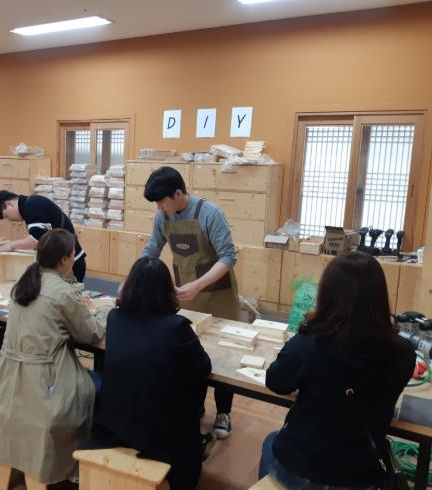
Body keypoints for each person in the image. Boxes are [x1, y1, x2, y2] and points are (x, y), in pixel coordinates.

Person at [259, 252, 415, 489]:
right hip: (362, 471)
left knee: (271, 440)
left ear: (327, 295)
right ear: (379, 296)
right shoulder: (403, 352)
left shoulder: (309, 343)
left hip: (305, 465)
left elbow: (276, 381)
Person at [0, 229, 105, 484]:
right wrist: (105, 314)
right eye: (73, 255)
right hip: (46, 382)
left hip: (9, 380)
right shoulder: (61, 291)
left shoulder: (26, 281)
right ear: (64, 259)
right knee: (98, 386)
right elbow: (90, 333)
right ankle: (87, 461)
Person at [88, 256, 212, 490]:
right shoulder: (177, 326)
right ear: (168, 291)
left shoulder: (115, 318)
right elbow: (204, 367)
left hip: (115, 423)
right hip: (160, 434)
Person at [142, 166, 239, 439]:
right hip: (186, 295)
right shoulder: (163, 216)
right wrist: (135, 277)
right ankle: (195, 404)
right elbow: (151, 249)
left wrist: (199, 284)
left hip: (217, 295)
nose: (159, 207)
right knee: (190, 353)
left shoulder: (210, 213)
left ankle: (223, 413)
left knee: (223, 357)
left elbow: (228, 257)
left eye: (161, 201)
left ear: (178, 194)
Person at [0, 191, 87, 282]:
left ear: (9, 204)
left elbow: (37, 240)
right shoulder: (29, 205)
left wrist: (11, 245)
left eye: (6, 216)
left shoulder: (32, 205)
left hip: (69, 264)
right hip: (64, 262)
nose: (10, 220)